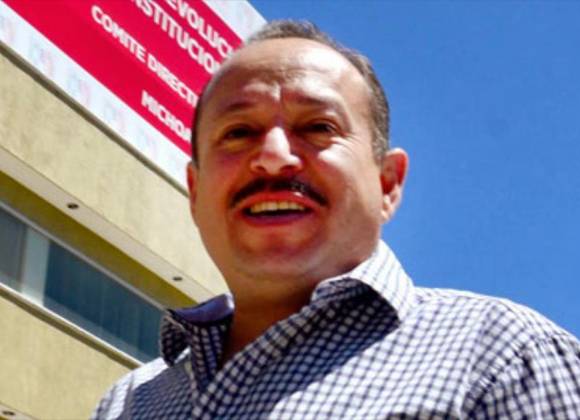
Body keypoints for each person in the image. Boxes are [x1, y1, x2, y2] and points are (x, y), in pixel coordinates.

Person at [93, 20, 580, 419]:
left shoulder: (506, 360)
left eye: (318, 127)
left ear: (388, 184)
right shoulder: (129, 403)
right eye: (239, 132)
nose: (273, 157)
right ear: (196, 192)